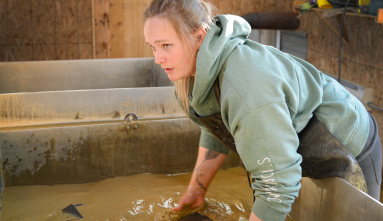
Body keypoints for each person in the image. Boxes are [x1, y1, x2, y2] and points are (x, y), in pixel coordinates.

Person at [143, 0, 382, 220]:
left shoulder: (245, 84)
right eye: (153, 47)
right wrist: (197, 189)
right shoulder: (191, 79)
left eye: (166, 45)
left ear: (199, 36)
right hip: (296, 150)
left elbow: (277, 185)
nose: (158, 58)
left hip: (346, 141)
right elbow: (216, 127)